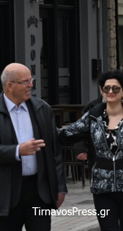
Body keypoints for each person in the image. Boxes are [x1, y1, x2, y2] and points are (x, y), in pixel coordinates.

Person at [59, 70, 123, 231]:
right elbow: (66, 135)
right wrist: (42, 129)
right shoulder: (92, 117)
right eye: (107, 88)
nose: (111, 92)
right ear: (101, 90)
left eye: (116, 88)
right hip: (102, 187)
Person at [0, 63, 67, 230]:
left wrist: (60, 187)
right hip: (6, 193)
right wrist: (16, 151)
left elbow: (54, 151)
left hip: (38, 191)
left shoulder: (42, 108)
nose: (31, 85)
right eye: (25, 82)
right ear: (10, 86)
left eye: (31, 80)